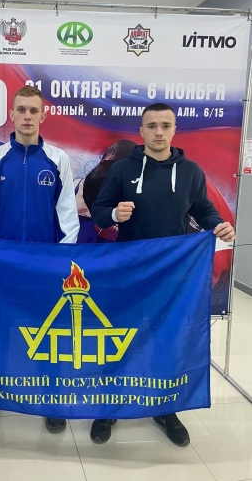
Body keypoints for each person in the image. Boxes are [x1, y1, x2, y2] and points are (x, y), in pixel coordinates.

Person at [91, 102, 235, 446]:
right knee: (121, 337)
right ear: (141, 131)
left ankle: (166, 408)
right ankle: (110, 406)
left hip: (173, 275)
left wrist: (219, 225)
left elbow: (204, 210)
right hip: (128, 271)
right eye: (152, 126)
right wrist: (113, 214)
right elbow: (98, 211)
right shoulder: (122, 169)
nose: (158, 132)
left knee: (167, 340)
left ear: (174, 130)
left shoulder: (191, 172)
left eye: (165, 125)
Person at [0, 85, 80, 433]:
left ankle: (52, 398)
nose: (28, 116)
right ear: (11, 115)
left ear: (43, 115)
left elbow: (68, 215)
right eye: (22, 110)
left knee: (49, 332)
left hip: (45, 265)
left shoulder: (58, 159)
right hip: (2, 264)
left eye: (34, 110)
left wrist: (62, 261)